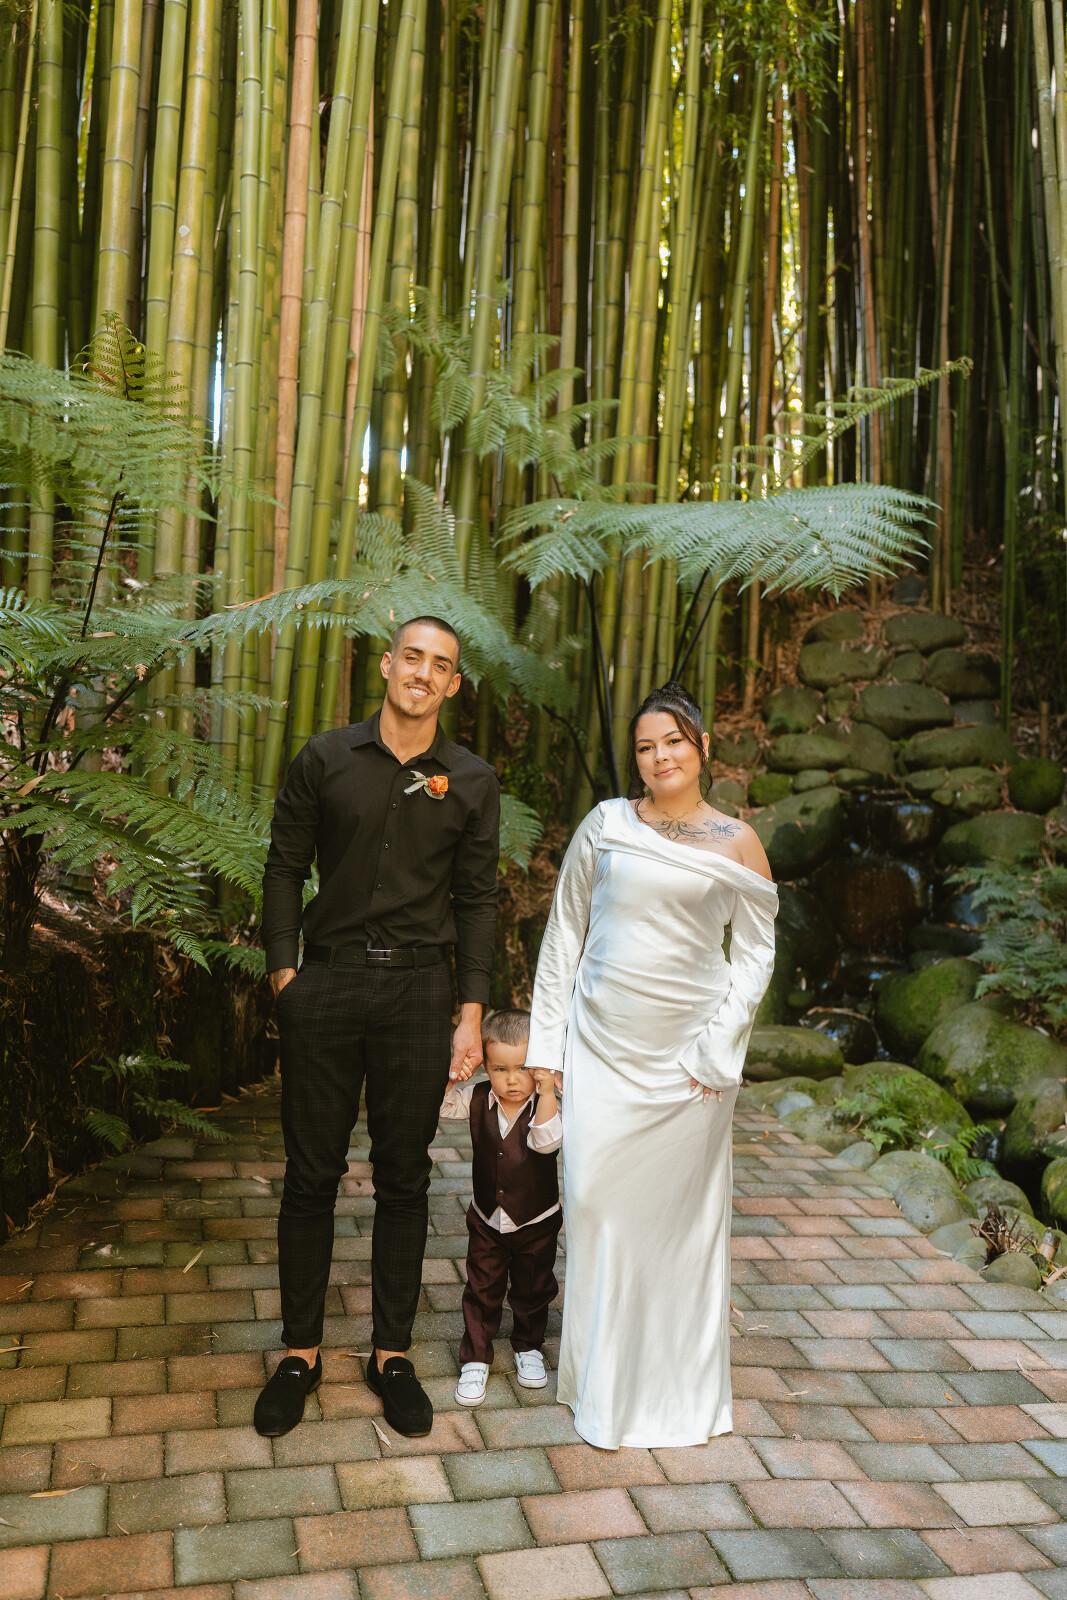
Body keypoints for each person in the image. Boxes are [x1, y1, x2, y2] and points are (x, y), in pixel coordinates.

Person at [254, 617, 500, 1439]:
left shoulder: (471, 781)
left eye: (441, 665)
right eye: (413, 657)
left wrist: (469, 1013)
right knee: (310, 1175)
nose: (423, 674)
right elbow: (284, 865)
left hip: (419, 993)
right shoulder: (325, 759)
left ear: (453, 685)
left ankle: (390, 1355)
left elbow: (476, 899)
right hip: (325, 983)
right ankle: (300, 1353)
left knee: (404, 1177)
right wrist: (285, 974)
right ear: (388, 665)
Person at [526, 681, 777, 1450]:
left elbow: (754, 956)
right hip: (601, 1052)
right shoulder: (605, 825)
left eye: (672, 740)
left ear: (701, 746)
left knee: (676, 1233)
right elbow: (563, 938)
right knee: (596, 1208)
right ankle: (600, 1389)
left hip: (688, 1069)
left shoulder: (737, 841)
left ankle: (674, 1398)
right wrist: (545, 1059)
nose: (659, 756)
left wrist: (716, 1051)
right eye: (644, 746)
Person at [439, 1008, 563, 1406]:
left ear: (539, 1067)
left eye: (523, 1069)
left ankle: (528, 1346)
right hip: (487, 1219)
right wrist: (453, 1077)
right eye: (499, 1069)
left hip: (536, 1220)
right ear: (485, 1068)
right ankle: (476, 1356)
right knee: (482, 1288)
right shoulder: (477, 1097)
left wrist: (547, 1092)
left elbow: (546, 1142)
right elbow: (441, 1107)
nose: (512, 1080)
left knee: (533, 1287)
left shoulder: (547, 1104)